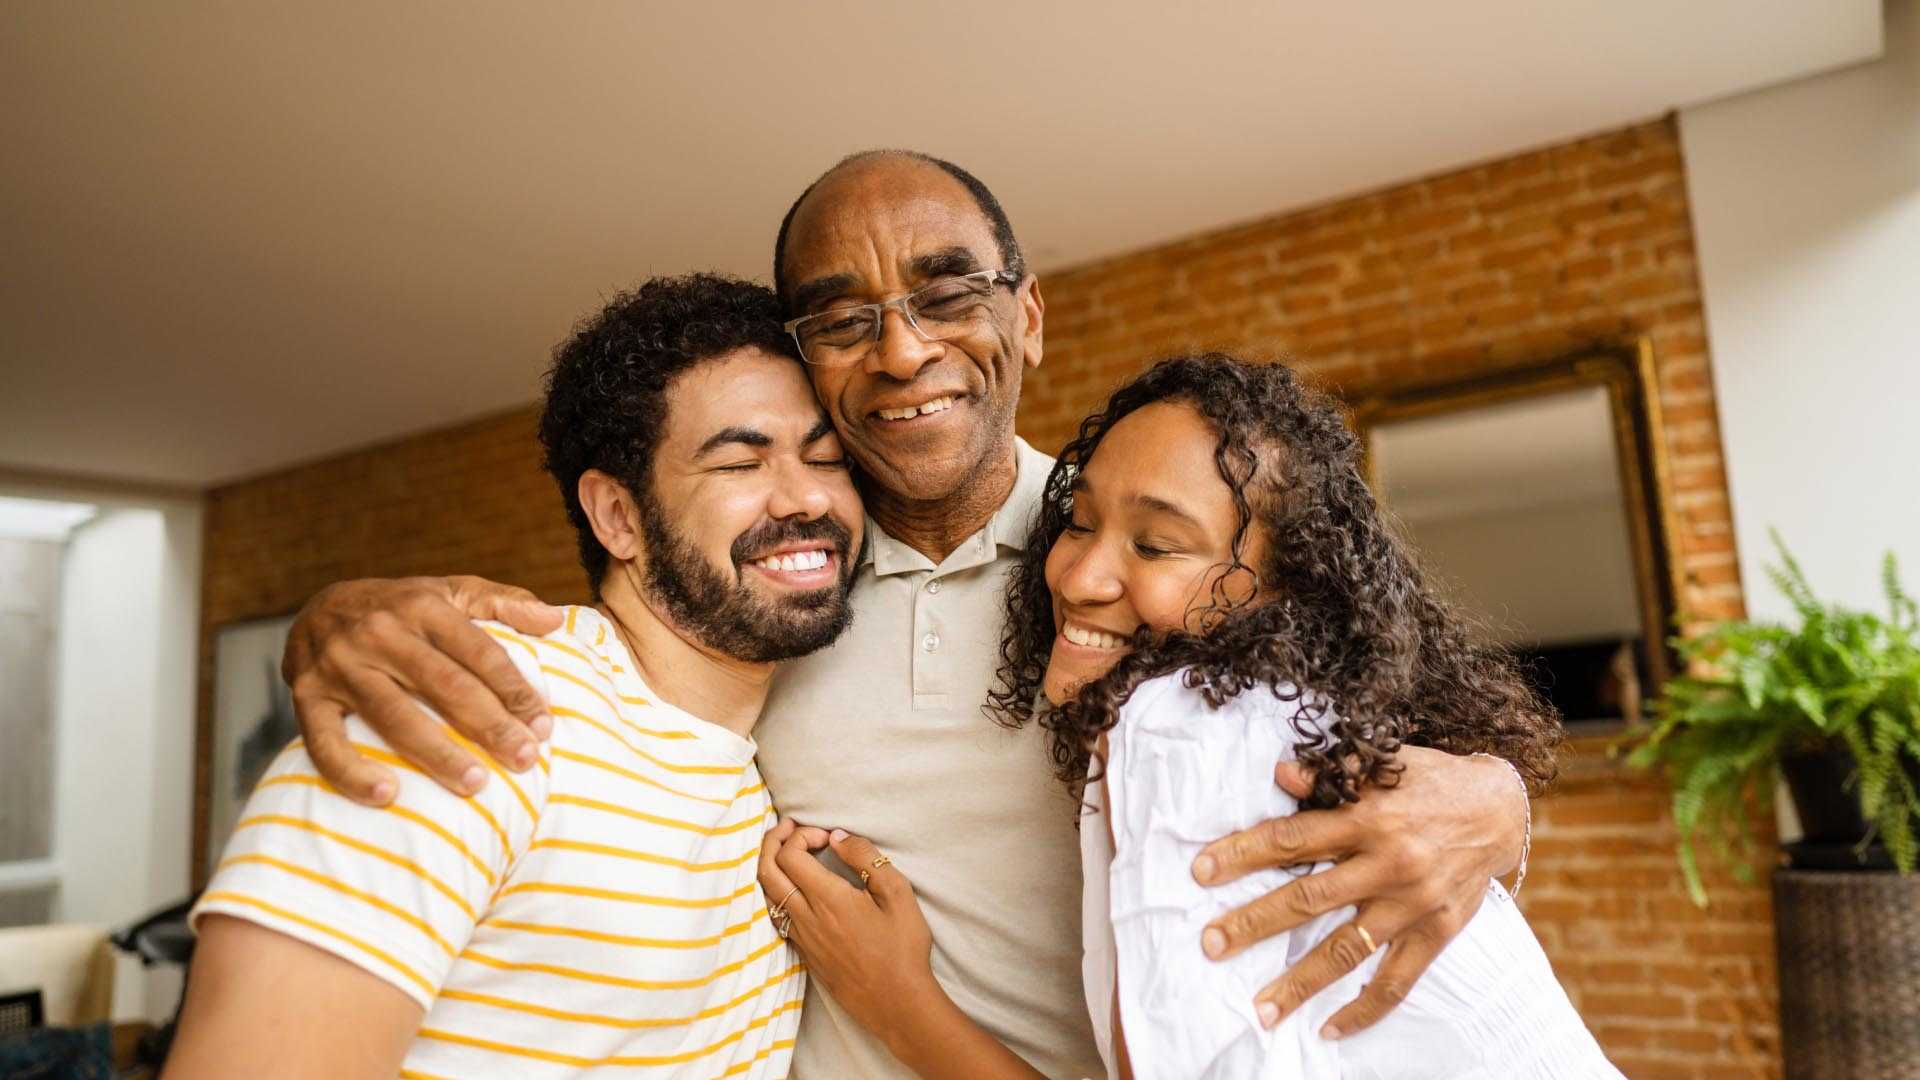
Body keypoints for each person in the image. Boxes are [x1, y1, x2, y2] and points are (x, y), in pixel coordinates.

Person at [275, 151, 1531, 1077]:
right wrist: (331, 615)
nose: (902, 350)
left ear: (1025, 318)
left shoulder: (1134, 568)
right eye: (841, 319)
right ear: (803, 353)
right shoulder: (774, 588)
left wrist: (1500, 801)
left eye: (947, 295)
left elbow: (1392, 718)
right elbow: (625, 651)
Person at [762, 354, 1622, 1078]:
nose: (1079, 576)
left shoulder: (1181, 721)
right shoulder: (1278, 714)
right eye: (1081, 521)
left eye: (1157, 545)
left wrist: (902, 1007)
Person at [164, 275, 861, 1078]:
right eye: (740, 462)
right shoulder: (459, 708)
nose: (807, 495)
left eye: (827, 457)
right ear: (618, 518)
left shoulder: (768, 758)